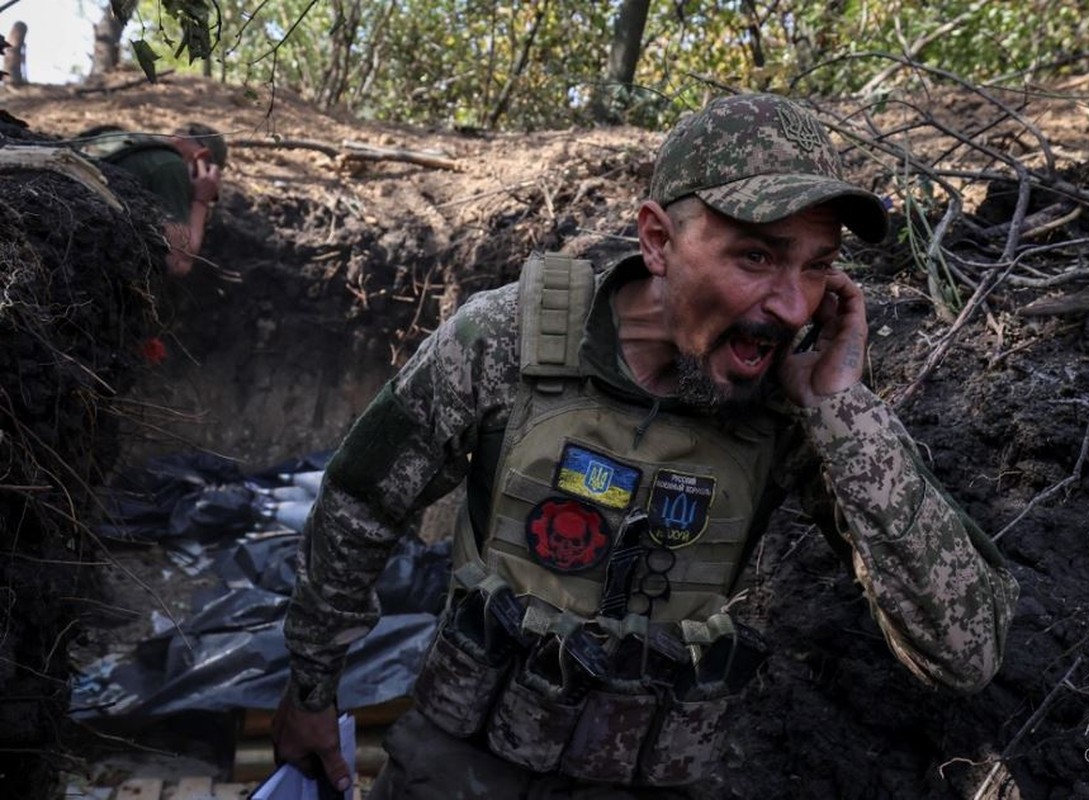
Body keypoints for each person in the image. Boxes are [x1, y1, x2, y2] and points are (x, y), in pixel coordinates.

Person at [271, 93, 1020, 798]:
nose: (794, 305)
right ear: (658, 239)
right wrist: (311, 686)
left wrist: (842, 413)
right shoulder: (502, 340)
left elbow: (965, 653)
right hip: (460, 761)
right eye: (757, 257)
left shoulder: (799, 402)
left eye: (819, 264)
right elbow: (361, 505)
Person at [76, 123, 226, 277]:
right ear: (202, 157)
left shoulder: (124, 141)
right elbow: (177, 263)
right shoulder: (171, 165)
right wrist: (201, 200)